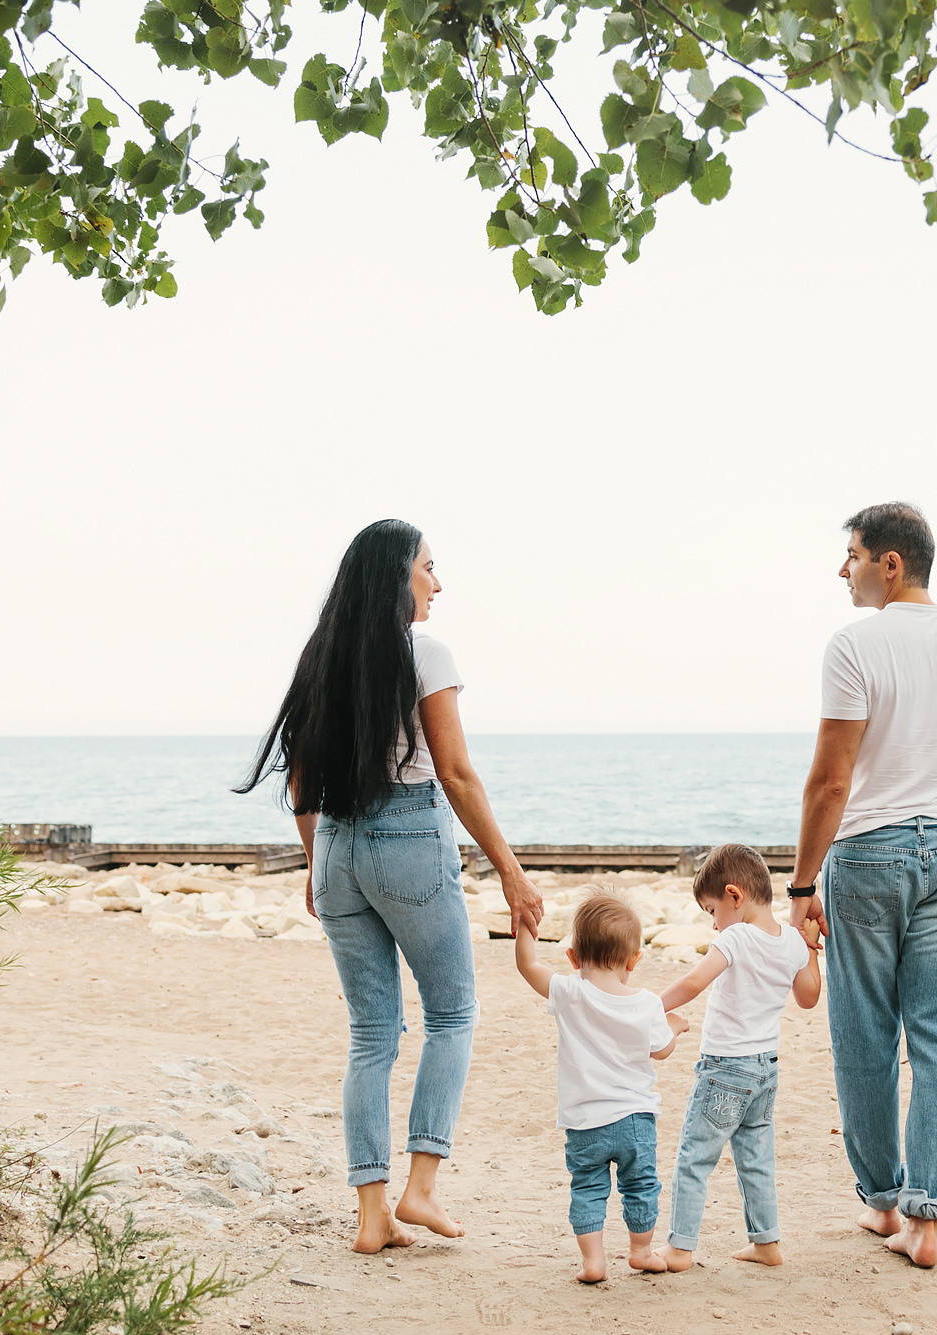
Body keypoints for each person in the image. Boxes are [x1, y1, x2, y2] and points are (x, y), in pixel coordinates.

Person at [238, 520, 545, 1254]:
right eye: (429, 569)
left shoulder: (322, 657)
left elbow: (302, 780)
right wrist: (511, 868)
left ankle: (372, 1215)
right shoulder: (424, 653)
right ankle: (421, 1186)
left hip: (338, 844)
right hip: (407, 836)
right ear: (395, 577)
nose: (437, 584)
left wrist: (318, 863)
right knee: (454, 1013)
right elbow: (457, 772)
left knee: (371, 1034)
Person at [790, 502, 937, 1271]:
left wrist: (799, 883)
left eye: (849, 554)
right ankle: (928, 1223)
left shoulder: (854, 645)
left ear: (889, 561)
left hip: (870, 852)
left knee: (864, 1036)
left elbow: (831, 779)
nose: (840, 570)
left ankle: (883, 1200)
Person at [655, 844, 823, 1270]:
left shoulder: (735, 937)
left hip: (725, 1068)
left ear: (735, 896)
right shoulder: (789, 941)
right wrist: (811, 947)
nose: (714, 925)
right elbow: (808, 998)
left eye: (712, 911)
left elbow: (695, 983)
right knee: (756, 1157)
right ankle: (766, 1243)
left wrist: (647, 1007)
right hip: (765, 1070)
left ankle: (679, 1248)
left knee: (695, 1158)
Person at [513, 890, 687, 1282]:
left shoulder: (569, 992)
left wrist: (526, 922)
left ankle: (593, 1262)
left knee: (587, 1187)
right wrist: (674, 1026)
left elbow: (527, 965)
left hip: (584, 1121)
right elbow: (661, 1051)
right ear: (633, 960)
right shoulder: (645, 1003)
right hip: (634, 1119)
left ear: (573, 957)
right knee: (640, 1184)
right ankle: (641, 1250)